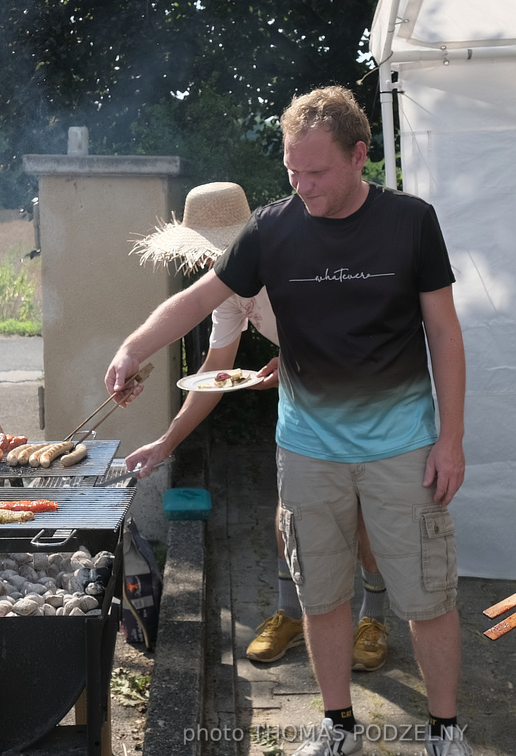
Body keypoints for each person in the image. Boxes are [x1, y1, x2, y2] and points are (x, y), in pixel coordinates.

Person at [105, 87, 484, 756]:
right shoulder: (272, 231)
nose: (302, 186)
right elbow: (195, 303)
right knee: (319, 595)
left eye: (316, 172)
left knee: (428, 597)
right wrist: (131, 347)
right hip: (307, 449)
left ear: (360, 155)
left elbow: (445, 332)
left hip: (402, 445)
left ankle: (445, 733)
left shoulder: (410, 223)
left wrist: (452, 439)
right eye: (290, 172)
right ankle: (337, 723)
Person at [126, 181, 391, 670]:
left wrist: (292, 361)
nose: (210, 264)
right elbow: (214, 373)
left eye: (217, 252)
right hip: (305, 394)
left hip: (361, 389)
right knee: (287, 503)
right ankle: (289, 614)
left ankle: (374, 616)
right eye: (202, 254)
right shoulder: (227, 291)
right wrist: (166, 443)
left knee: (356, 508)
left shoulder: (299, 262)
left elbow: (356, 334)